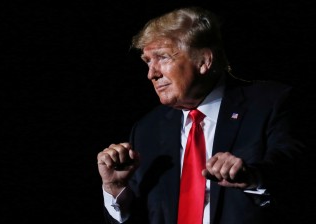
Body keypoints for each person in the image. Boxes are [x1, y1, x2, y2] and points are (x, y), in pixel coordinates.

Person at [96, 6, 308, 224]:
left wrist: (252, 177)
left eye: (163, 57)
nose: (152, 73)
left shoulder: (270, 103)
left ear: (204, 61)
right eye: (147, 61)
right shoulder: (146, 129)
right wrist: (115, 188)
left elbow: (295, 172)